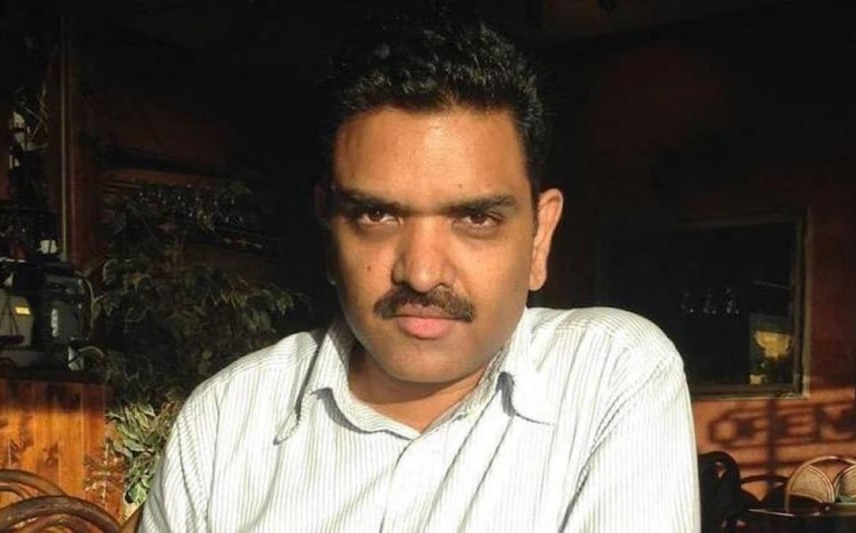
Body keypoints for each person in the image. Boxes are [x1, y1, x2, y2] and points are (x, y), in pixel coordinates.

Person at [139, 17, 699, 532]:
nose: (423, 273)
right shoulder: (225, 421)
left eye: (475, 219)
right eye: (376, 215)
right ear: (329, 229)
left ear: (539, 236)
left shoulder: (609, 373)